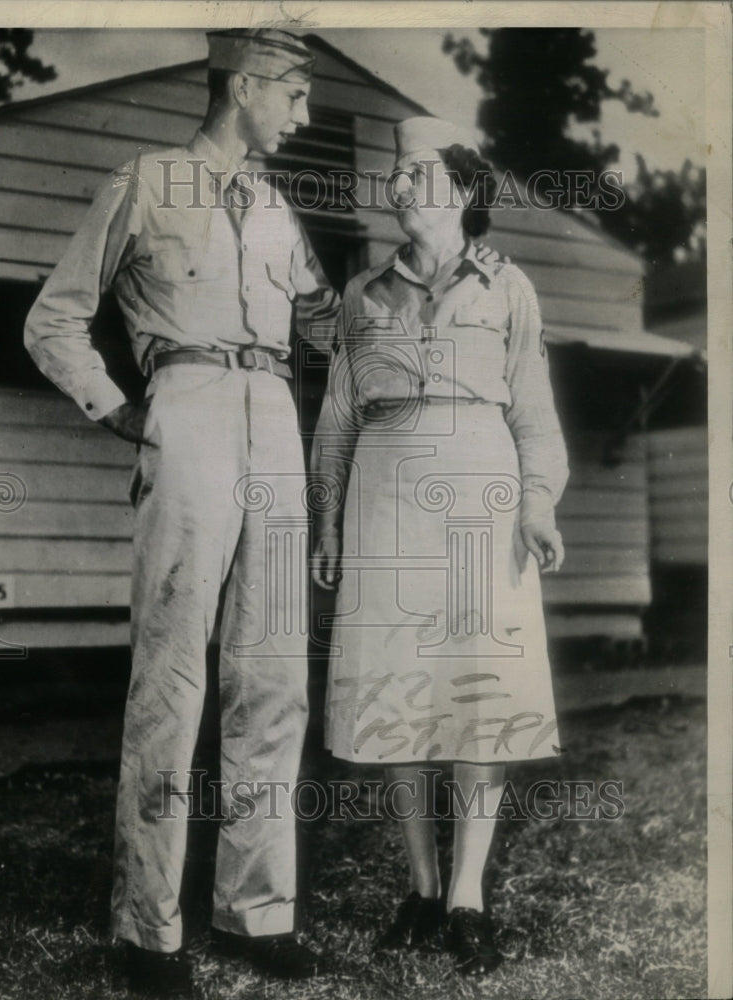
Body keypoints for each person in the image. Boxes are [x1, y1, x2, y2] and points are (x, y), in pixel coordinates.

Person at [24, 29, 344, 998]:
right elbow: (52, 319)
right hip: (192, 415)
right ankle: (146, 931)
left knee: (275, 674)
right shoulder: (147, 182)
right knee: (173, 680)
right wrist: (122, 409)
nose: (302, 113)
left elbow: (328, 323)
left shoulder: (281, 209)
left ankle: (257, 910)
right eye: (291, 93)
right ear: (242, 84)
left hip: (275, 425)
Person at [311, 116, 569, 977]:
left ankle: (467, 897)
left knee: (476, 695)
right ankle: (420, 890)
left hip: (480, 504)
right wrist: (324, 520)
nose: (397, 186)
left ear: (462, 190)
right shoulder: (360, 296)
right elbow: (337, 423)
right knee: (400, 696)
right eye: (393, 173)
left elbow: (533, 416)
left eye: (417, 173)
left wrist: (538, 509)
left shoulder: (508, 289)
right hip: (384, 505)